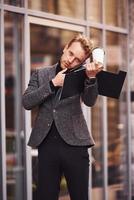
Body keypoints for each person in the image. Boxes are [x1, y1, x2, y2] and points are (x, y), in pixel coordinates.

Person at [22, 33, 103, 200]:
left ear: (82, 63)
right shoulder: (41, 73)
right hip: (47, 147)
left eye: (77, 59)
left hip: (75, 146)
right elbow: (27, 102)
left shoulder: (83, 75)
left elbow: (89, 101)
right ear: (66, 47)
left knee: (80, 196)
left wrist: (92, 78)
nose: (71, 60)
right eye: (71, 53)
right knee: (45, 196)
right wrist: (53, 84)